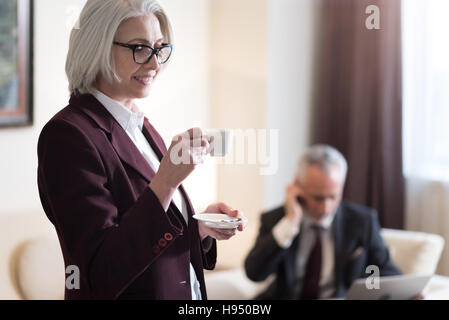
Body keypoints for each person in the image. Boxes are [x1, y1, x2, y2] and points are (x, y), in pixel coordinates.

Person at [37, 0, 245, 300]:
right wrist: (165, 182)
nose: (155, 63)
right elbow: (100, 272)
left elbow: (146, 232)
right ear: (97, 47)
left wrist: (197, 228)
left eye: (159, 48)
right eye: (139, 48)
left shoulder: (140, 125)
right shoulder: (67, 136)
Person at [244, 145, 402, 299]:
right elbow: (254, 273)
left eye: (333, 197)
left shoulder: (362, 221)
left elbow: (388, 272)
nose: (325, 208)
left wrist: (404, 294)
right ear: (297, 187)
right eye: (317, 198)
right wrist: (290, 223)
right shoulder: (276, 219)